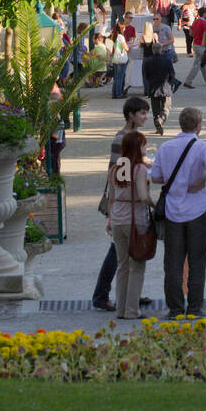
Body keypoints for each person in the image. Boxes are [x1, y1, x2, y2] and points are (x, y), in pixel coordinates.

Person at [150, 108, 206, 318]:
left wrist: (176, 179)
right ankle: (195, 307)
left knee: (173, 263)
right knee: (198, 261)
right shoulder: (204, 147)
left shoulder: (166, 147)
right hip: (198, 211)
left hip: (172, 212)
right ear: (199, 126)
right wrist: (199, 181)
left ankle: (175, 308)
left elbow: (155, 177)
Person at [92, 96, 151, 311]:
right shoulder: (123, 138)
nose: (146, 117)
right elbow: (121, 174)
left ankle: (128, 295)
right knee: (118, 253)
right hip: (123, 206)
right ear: (130, 115)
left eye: (147, 112)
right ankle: (102, 295)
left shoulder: (133, 136)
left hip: (122, 206)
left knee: (123, 253)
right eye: (142, 113)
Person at [107, 129, 155, 319]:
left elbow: (111, 197)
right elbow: (143, 196)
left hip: (117, 219)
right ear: (138, 148)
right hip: (135, 220)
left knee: (122, 265)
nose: (146, 148)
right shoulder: (139, 169)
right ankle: (132, 310)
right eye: (143, 144)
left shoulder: (116, 168)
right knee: (137, 266)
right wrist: (155, 203)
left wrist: (110, 220)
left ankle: (121, 309)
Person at [148, 28, 177, 133]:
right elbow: (172, 74)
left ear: (152, 50)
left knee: (155, 109)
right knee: (166, 108)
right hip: (165, 87)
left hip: (154, 88)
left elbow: (146, 75)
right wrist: (171, 82)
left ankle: (157, 123)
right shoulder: (167, 61)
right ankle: (161, 120)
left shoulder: (149, 62)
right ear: (161, 50)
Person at [110, 24, 129, 99]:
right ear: (120, 30)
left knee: (116, 78)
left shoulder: (114, 36)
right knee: (120, 78)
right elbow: (125, 48)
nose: (124, 30)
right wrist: (129, 46)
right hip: (121, 59)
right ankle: (118, 94)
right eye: (123, 28)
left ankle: (114, 93)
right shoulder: (121, 37)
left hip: (115, 58)